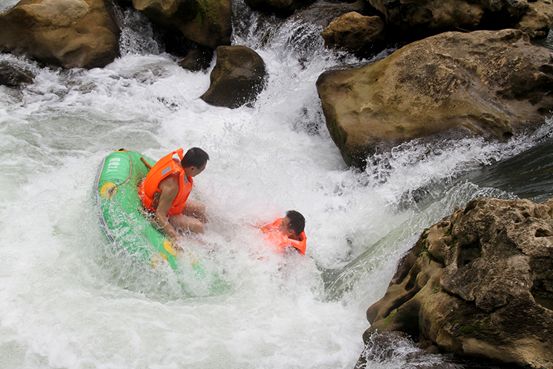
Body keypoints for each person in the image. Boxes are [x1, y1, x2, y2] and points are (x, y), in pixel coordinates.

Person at [139, 147, 209, 240]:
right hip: (156, 209)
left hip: (170, 204)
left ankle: (207, 233)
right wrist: (175, 238)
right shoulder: (172, 186)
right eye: (201, 170)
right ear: (192, 168)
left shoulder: (178, 163)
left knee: (201, 208)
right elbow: (159, 215)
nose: (200, 173)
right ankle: (201, 245)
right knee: (198, 226)